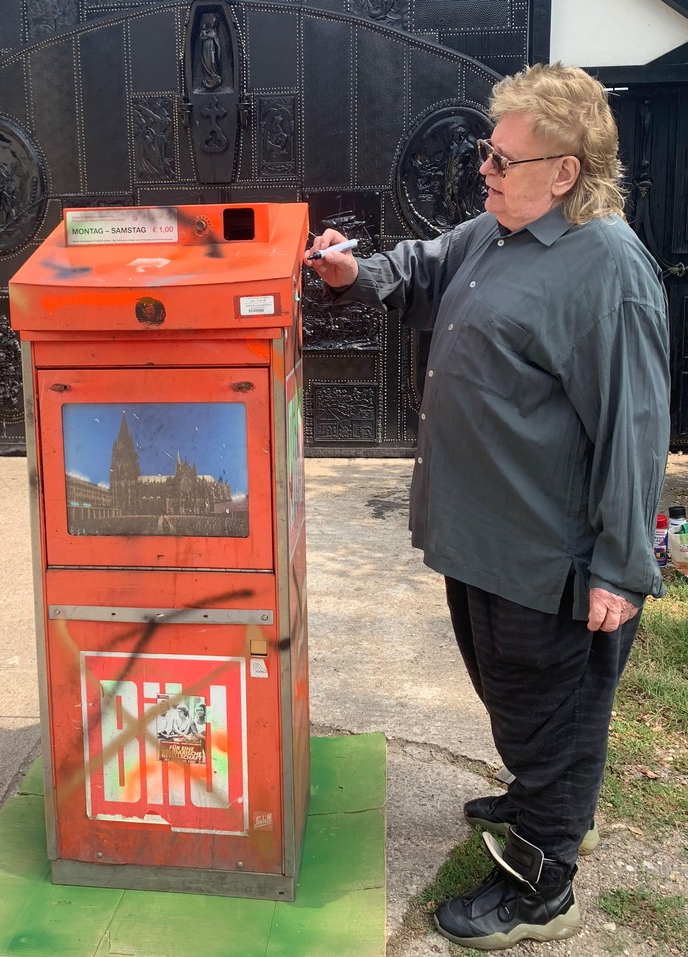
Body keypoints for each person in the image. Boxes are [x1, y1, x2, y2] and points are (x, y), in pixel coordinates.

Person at [306, 63, 670, 950]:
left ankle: (545, 883)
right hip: (482, 540)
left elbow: (634, 431)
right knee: (515, 697)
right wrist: (359, 270)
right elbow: (427, 264)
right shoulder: (501, 233)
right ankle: (546, 797)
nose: (485, 170)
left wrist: (622, 569)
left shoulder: (608, 272)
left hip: (550, 555)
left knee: (556, 710)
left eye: (504, 159)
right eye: (486, 152)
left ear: (566, 171)